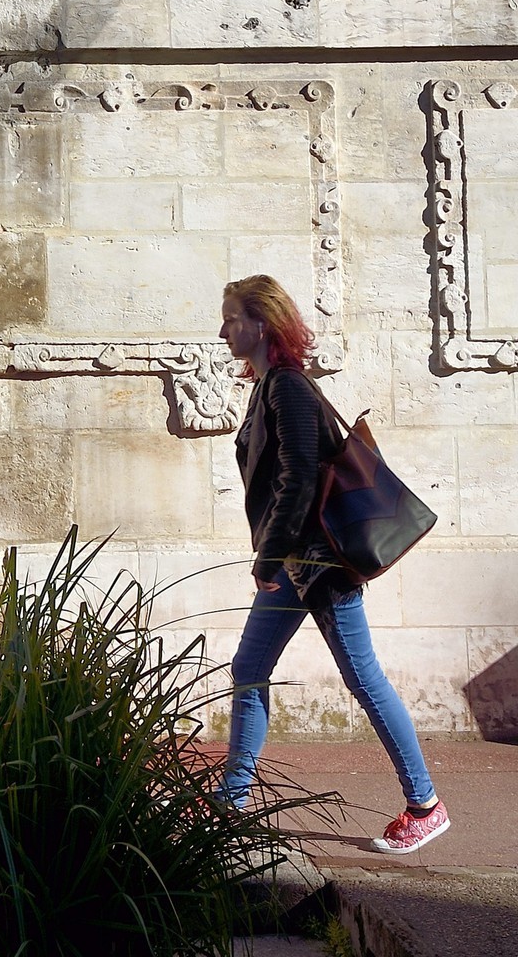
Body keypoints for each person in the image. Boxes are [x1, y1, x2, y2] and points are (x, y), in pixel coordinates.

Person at [218, 274, 450, 854]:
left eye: (231, 318)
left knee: (362, 678)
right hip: (294, 563)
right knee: (248, 667)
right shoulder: (270, 385)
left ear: (261, 323)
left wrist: (268, 555)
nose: (223, 329)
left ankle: (425, 804)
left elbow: (299, 477)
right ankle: (232, 799)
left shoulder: (289, 388)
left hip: (314, 563)